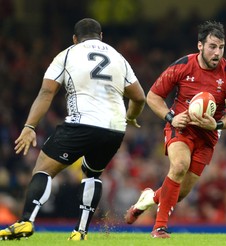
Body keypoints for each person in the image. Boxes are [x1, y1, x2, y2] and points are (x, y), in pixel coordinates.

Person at [0, 18, 146, 241]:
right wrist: (131, 117)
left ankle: (25, 222)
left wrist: (30, 126)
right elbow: (139, 97)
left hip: (82, 123)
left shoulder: (67, 54)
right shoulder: (118, 57)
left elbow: (46, 93)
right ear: (101, 36)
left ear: (75, 38)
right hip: (115, 129)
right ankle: (81, 232)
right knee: (92, 174)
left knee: (43, 168)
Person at [124, 20, 226, 238]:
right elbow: (153, 96)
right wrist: (171, 117)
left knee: (179, 194)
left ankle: (149, 199)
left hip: (208, 136)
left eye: (221, 47)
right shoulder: (182, 66)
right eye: (212, 46)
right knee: (179, 166)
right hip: (180, 128)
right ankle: (159, 227)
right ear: (200, 45)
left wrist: (217, 124)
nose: (217, 52)